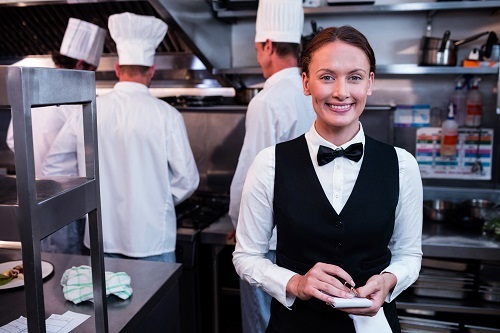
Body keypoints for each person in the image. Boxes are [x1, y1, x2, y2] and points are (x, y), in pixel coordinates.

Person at [232, 25, 423, 333]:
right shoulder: (270, 164)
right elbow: (246, 256)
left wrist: (388, 281)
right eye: (327, 77)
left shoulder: (402, 166)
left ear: (370, 83)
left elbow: (409, 254)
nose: (341, 92)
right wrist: (294, 282)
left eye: (355, 77)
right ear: (306, 83)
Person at [43, 12, 199, 262]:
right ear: (152, 71)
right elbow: (188, 180)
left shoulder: (89, 110)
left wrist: (89, 199)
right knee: (156, 301)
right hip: (153, 241)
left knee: (105, 302)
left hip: (100, 238)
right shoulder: (167, 115)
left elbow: (54, 165)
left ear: (116, 68)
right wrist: (156, 199)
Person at [228, 0, 316, 332]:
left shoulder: (267, 101)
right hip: (309, 239)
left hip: (270, 243)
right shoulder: (314, 91)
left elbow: (249, 177)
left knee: (264, 325)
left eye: (257, 48)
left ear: (267, 46)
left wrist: (238, 223)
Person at [6, 18, 106, 254]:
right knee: (65, 271)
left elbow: (12, 140)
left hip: (30, 200)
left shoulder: (34, 87)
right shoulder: (74, 97)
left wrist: (35, 168)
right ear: (81, 64)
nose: (92, 78)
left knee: (43, 270)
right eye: (93, 71)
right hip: (65, 203)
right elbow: (82, 152)